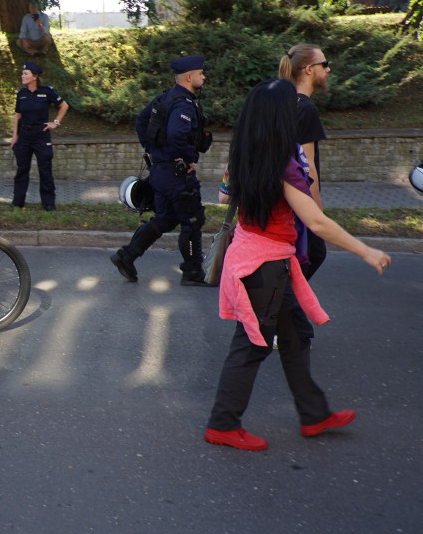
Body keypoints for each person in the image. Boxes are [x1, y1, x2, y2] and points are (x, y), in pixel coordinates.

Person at [204, 79, 390, 451]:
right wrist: (365, 251)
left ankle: (314, 414)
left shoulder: (246, 152)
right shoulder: (282, 163)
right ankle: (223, 424)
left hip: (256, 256)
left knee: (294, 336)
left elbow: (226, 193)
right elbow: (317, 222)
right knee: (253, 345)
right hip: (265, 265)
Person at [111, 55, 213, 286]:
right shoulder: (183, 103)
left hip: (159, 172)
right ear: (189, 77)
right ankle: (193, 272)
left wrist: (151, 150)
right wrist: (188, 159)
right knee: (191, 220)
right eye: (200, 73)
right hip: (177, 175)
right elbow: (177, 133)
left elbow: (141, 120)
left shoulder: (165, 98)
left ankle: (126, 256)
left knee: (165, 218)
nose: (203, 77)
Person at [279, 43, 330, 280]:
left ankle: (279, 308)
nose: (328, 69)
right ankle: (280, 309)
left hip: (281, 199)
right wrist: (317, 214)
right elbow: (307, 169)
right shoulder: (306, 109)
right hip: (300, 202)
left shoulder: (282, 102)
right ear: (309, 69)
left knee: (293, 258)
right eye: (324, 64)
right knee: (314, 253)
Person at [10, 61, 68, 212]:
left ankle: (48, 203)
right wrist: (14, 136)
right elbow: (18, 115)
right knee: (22, 169)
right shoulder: (21, 94)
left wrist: (56, 122)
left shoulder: (47, 91)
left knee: (45, 170)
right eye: (23, 73)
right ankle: (17, 202)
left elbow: (64, 106)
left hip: (41, 135)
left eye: (26, 74)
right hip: (24, 135)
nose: (22, 76)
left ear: (34, 76)